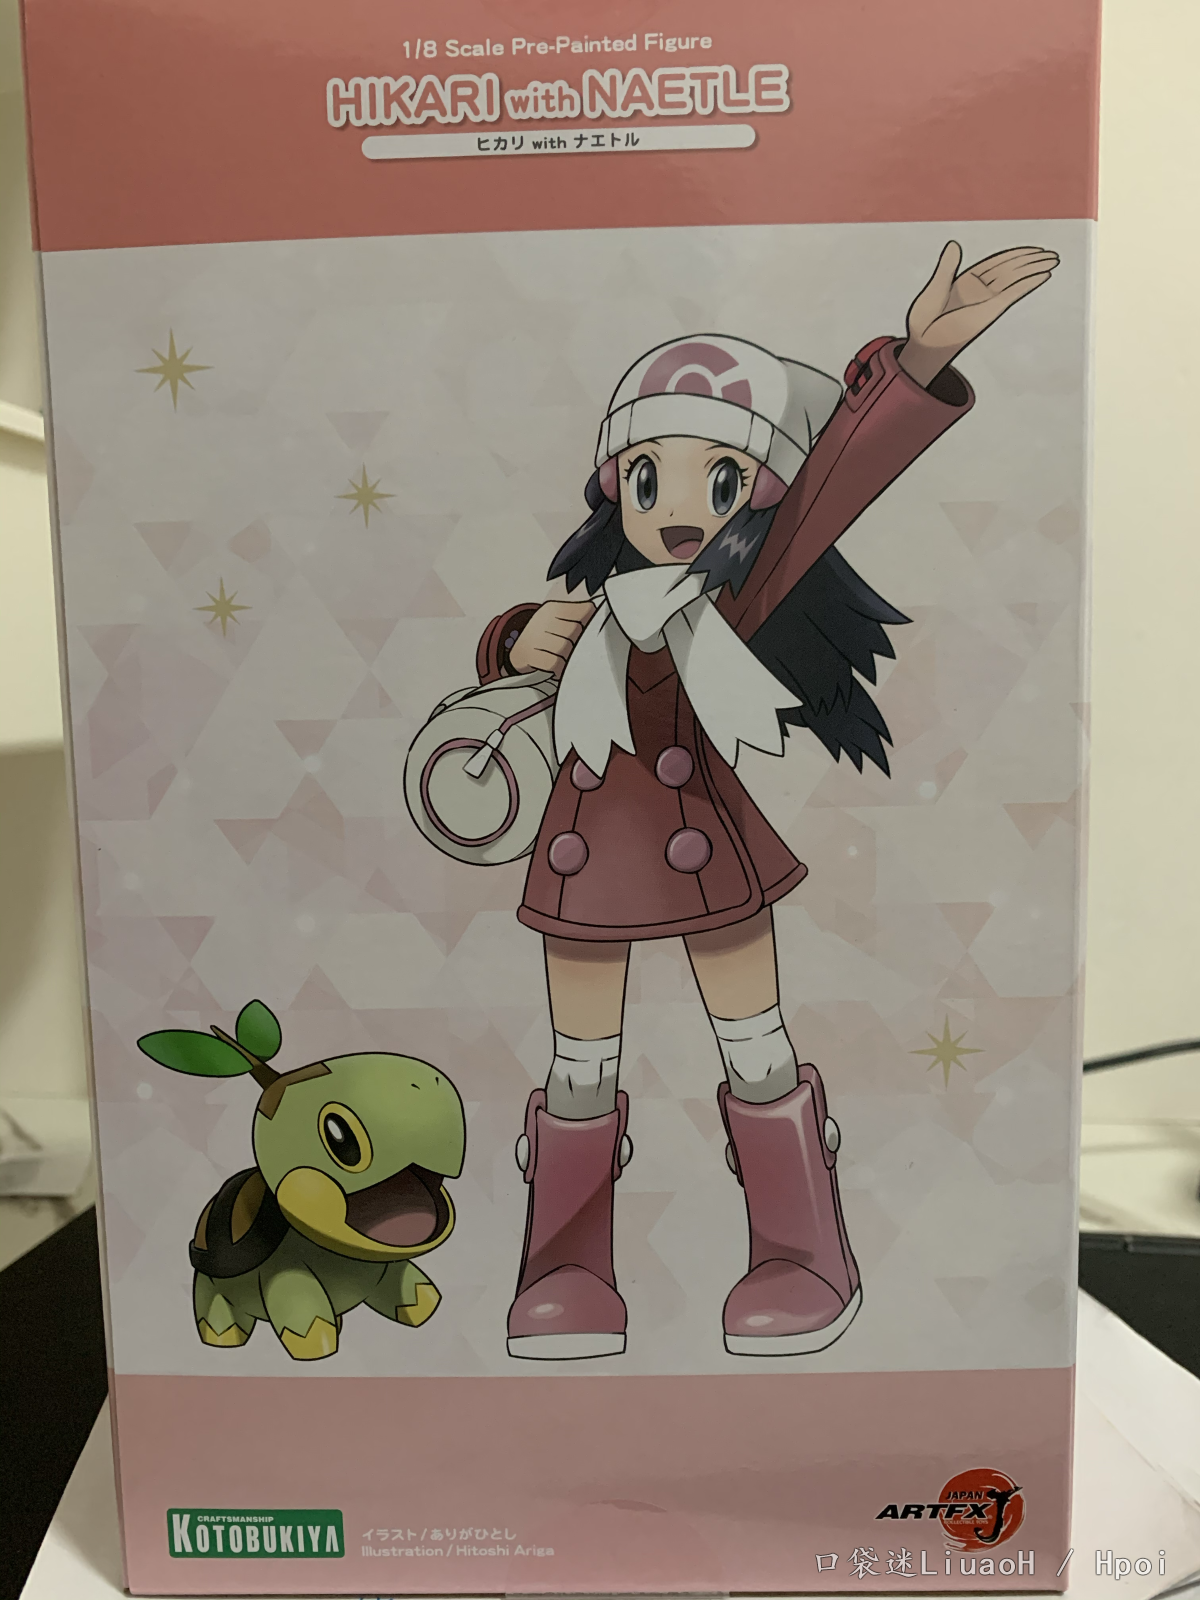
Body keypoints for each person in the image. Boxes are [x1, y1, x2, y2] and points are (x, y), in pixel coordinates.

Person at [470, 241, 1059, 1360]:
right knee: (579, 1063)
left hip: (707, 847)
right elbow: (537, 658)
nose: (676, 511)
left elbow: (839, 477)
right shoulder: (599, 613)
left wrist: (916, 361)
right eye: (649, 480)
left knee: (755, 1047)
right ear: (615, 491)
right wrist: (513, 638)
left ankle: (801, 1253)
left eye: (720, 481)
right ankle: (564, 1268)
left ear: (760, 497)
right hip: (587, 852)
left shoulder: (738, 600)